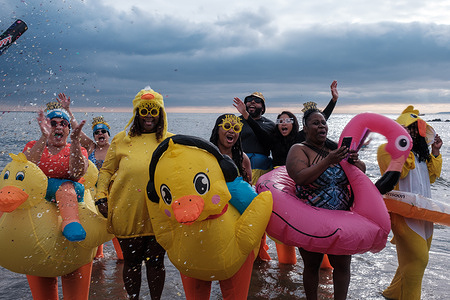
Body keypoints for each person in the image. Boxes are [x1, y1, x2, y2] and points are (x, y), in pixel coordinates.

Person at [94, 87, 172, 300]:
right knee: (132, 262)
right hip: (127, 210)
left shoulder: (170, 141)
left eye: (154, 111)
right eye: (144, 110)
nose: (148, 115)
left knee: (156, 262)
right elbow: (106, 171)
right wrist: (100, 196)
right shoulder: (121, 140)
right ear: (136, 112)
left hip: (159, 214)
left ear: (161, 114)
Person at [285, 107, 365, 300]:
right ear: (305, 128)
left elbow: (361, 174)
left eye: (323, 122)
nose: (321, 126)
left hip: (341, 219)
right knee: (312, 265)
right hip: (311, 218)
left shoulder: (335, 149)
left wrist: (355, 162)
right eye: (315, 123)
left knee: (343, 266)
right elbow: (300, 177)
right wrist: (328, 161)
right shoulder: (299, 149)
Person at [23, 102, 92, 299]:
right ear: (46, 126)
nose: (59, 126)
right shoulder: (33, 146)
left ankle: (71, 224)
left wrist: (77, 142)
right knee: (42, 281)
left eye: (64, 123)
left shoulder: (75, 148)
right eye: (53, 123)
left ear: (69, 129)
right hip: (37, 226)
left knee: (75, 280)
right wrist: (43, 138)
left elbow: (77, 172)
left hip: (71, 204)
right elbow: (26, 169)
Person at [377, 105, 442, 300]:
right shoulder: (386, 150)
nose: (412, 133)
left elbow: (432, 177)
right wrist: (402, 146)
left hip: (424, 214)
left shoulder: (422, 155)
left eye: (416, 129)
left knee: (411, 262)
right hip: (403, 215)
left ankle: (392, 294)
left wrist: (436, 152)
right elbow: (399, 174)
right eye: (408, 129)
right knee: (418, 260)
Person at [57, 93, 124, 260]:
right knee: (95, 222)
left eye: (103, 132)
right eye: (97, 133)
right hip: (94, 194)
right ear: (94, 136)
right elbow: (77, 133)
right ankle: (98, 255)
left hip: (112, 192)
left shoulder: (116, 148)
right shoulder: (92, 147)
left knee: (114, 224)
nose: (100, 134)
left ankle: (122, 256)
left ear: (108, 134)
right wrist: (67, 110)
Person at [238, 91, 275, 185]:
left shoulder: (270, 125)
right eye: (249, 100)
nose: (252, 102)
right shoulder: (235, 122)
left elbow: (266, 140)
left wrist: (247, 117)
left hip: (261, 169)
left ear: (262, 108)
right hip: (239, 166)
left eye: (257, 101)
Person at [209, 114, 252, 183]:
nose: (231, 131)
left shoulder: (243, 158)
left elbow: (248, 183)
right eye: (226, 126)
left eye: (236, 128)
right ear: (217, 130)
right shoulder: (208, 155)